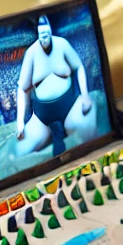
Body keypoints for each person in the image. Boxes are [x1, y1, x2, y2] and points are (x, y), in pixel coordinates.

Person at [14, 14, 94, 158]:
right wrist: (20, 122)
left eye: (46, 35)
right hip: (42, 115)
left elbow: (79, 67)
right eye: (41, 36)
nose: (44, 39)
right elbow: (22, 88)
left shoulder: (62, 44)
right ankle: (51, 135)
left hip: (69, 105)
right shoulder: (31, 53)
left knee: (85, 134)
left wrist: (85, 95)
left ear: (50, 32)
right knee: (22, 150)